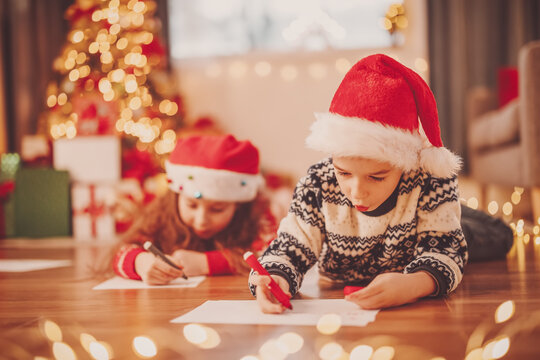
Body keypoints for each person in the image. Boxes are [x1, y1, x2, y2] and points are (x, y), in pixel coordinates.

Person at [249, 54, 471, 313]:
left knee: (487, 235)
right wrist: (276, 277)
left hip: (433, 230)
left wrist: (414, 284)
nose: (357, 193)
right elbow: (292, 244)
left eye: (377, 177)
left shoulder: (431, 180)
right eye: (343, 173)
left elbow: (447, 249)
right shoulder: (317, 182)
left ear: (405, 164)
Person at [113, 134, 277, 285]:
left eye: (217, 209)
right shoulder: (161, 215)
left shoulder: (257, 216)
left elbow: (274, 252)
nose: (201, 220)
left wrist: (206, 263)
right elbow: (120, 252)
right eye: (191, 205)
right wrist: (140, 262)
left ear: (239, 206)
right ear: (176, 197)